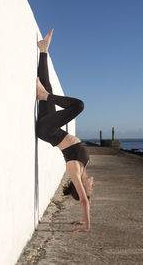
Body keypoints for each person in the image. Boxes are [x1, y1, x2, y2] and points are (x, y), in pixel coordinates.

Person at [36, 28, 95, 232]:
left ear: (82, 190)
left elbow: (84, 203)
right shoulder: (83, 168)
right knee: (47, 87)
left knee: (78, 106)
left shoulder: (75, 172)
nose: (92, 188)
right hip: (51, 128)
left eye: (89, 191)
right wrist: (83, 221)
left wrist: (86, 227)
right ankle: (43, 50)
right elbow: (86, 203)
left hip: (48, 130)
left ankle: (44, 96)